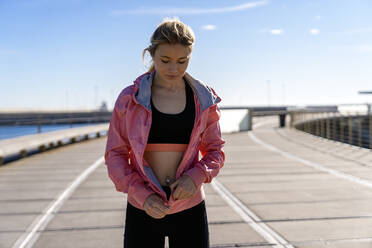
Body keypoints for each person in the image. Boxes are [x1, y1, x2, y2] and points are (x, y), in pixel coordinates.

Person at [104, 17, 225, 248]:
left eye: (182, 61)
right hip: (143, 208)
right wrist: (143, 195)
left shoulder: (203, 99)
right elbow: (115, 155)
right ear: (151, 54)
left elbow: (215, 151)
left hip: (190, 208)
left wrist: (195, 177)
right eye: (165, 60)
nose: (173, 68)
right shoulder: (130, 99)